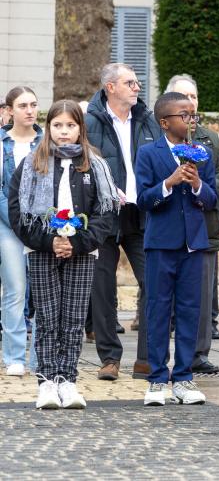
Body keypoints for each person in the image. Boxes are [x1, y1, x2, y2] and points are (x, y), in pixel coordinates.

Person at [8, 100, 118, 408]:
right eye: (58, 125)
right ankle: (46, 381)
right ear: (49, 128)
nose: (64, 131)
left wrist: (78, 241)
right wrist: (49, 240)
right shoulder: (32, 163)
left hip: (82, 251)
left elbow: (104, 212)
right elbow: (18, 211)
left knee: (72, 316)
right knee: (47, 316)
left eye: (71, 125)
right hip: (42, 249)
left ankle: (67, 380)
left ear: (81, 128)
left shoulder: (94, 164)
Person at [135, 92, 217, 406]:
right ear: (165, 121)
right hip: (160, 244)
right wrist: (168, 183)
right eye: (184, 115)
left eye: (193, 115)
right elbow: (143, 199)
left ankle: (183, 377)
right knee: (157, 310)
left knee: (190, 311)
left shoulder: (201, 152)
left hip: (193, 244)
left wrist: (197, 184)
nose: (191, 120)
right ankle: (157, 379)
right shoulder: (148, 153)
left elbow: (210, 200)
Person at [85, 62, 161, 381]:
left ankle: (145, 358)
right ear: (110, 87)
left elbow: (158, 159)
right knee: (103, 288)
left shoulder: (147, 120)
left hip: (140, 213)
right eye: (130, 82)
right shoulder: (90, 122)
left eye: (137, 82)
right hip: (104, 214)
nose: (137, 87)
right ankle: (109, 358)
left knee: (153, 283)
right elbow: (82, 165)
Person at [167, 74, 219, 374]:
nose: (189, 103)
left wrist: (199, 189)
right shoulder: (158, 137)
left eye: (193, 97)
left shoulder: (210, 138)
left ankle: (198, 353)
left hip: (203, 224)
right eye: (183, 97)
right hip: (168, 225)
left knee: (203, 295)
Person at [0, 86, 43, 376]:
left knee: (42, 292)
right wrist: (17, 221)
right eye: (23, 105)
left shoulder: (46, 142)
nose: (29, 110)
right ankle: (14, 356)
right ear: (10, 110)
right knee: (15, 291)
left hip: (43, 227)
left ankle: (40, 357)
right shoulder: (2, 144)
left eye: (33, 104)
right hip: (8, 226)